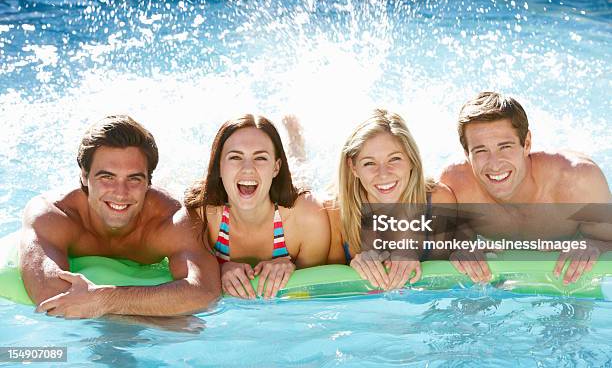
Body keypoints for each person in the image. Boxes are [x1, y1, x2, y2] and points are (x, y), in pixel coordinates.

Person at [19, 115, 221, 319]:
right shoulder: (54, 214)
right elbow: (50, 295)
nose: (120, 192)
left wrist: (105, 299)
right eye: (107, 177)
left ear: (148, 182)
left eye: (134, 179)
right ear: (84, 175)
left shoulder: (171, 219)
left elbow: (205, 292)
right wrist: (160, 317)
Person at [440, 91, 612, 284]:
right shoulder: (455, 186)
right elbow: (446, 244)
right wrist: (461, 249)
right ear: (466, 153)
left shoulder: (578, 181)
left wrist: (594, 245)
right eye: (480, 151)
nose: (495, 164)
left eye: (505, 147)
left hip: (568, 277)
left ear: (527, 143)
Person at [285, 110, 457, 291]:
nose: (383, 174)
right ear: (353, 167)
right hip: (323, 200)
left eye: (395, 159)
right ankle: (295, 142)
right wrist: (353, 266)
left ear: (412, 160)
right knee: (300, 189)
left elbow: (444, 281)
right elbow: (329, 288)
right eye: (369, 163)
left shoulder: (438, 201)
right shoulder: (334, 212)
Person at [184, 114, 330, 300]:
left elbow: (314, 292)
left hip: (286, 195)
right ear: (219, 166)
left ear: (276, 168)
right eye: (236, 157)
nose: (248, 168)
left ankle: (295, 142)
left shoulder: (306, 217)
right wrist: (217, 268)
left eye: (260, 158)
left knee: (301, 170)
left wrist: (294, 270)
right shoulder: (201, 215)